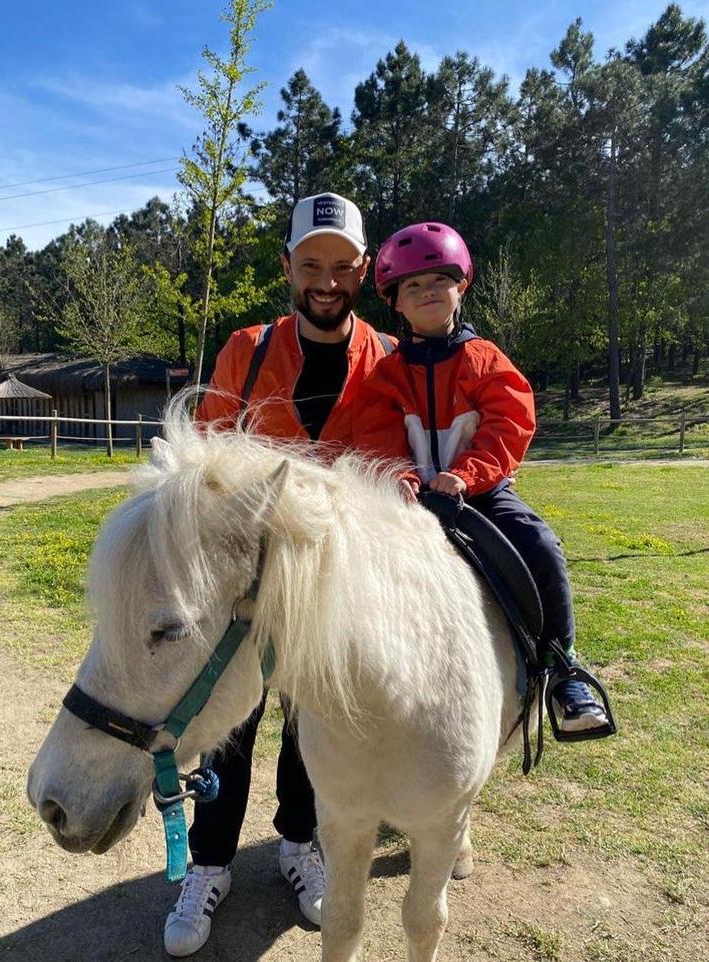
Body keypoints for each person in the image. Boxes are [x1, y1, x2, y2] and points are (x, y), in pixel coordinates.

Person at [164, 192, 395, 957]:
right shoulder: (246, 350)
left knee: (310, 721)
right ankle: (208, 863)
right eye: (309, 266)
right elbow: (205, 462)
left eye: (340, 266)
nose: (325, 281)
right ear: (287, 268)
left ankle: (298, 844)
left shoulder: (390, 360)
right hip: (245, 581)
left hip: (333, 585)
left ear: (362, 269)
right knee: (231, 719)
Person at [351, 221, 613, 736]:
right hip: (409, 501)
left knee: (540, 543)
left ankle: (565, 669)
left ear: (461, 287)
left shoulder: (486, 359)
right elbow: (375, 435)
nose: (426, 292)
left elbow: (509, 424)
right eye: (412, 286)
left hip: (481, 496)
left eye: (438, 281)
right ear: (395, 303)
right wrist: (401, 474)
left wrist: (466, 476)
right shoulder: (386, 375)